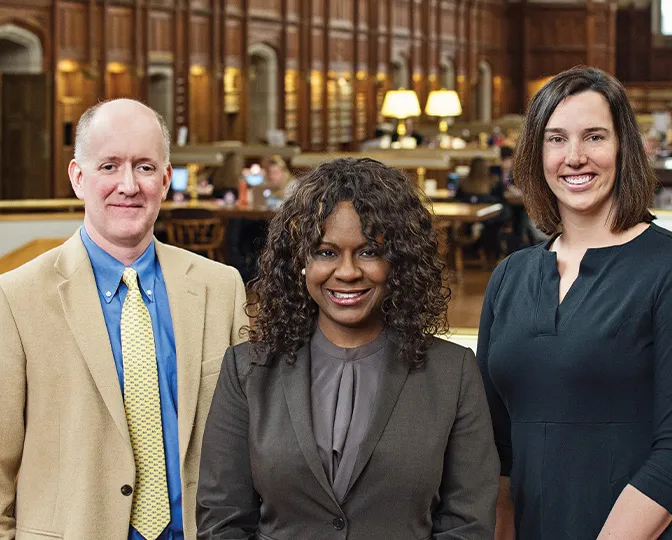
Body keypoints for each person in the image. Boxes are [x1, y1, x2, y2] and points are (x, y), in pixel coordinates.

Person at [197, 157, 499, 539]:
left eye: (369, 251)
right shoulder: (247, 370)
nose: (348, 271)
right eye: (325, 252)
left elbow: (468, 524)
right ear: (300, 261)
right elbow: (223, 520)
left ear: (399, 260)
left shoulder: (452, 372)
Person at [0, 99, 248, 539]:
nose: (129, 185)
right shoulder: (15, 298)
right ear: (79, 177)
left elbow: (253, 442)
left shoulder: (221, 288)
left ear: (167, 179)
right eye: (110, 166)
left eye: (145, 167)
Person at [478, 66, 672, 539]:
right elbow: (495, 445)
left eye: (594, 137)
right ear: (537, 154)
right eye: (556, 139)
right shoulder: (508, 277)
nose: (574, 157)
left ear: (625, 147)